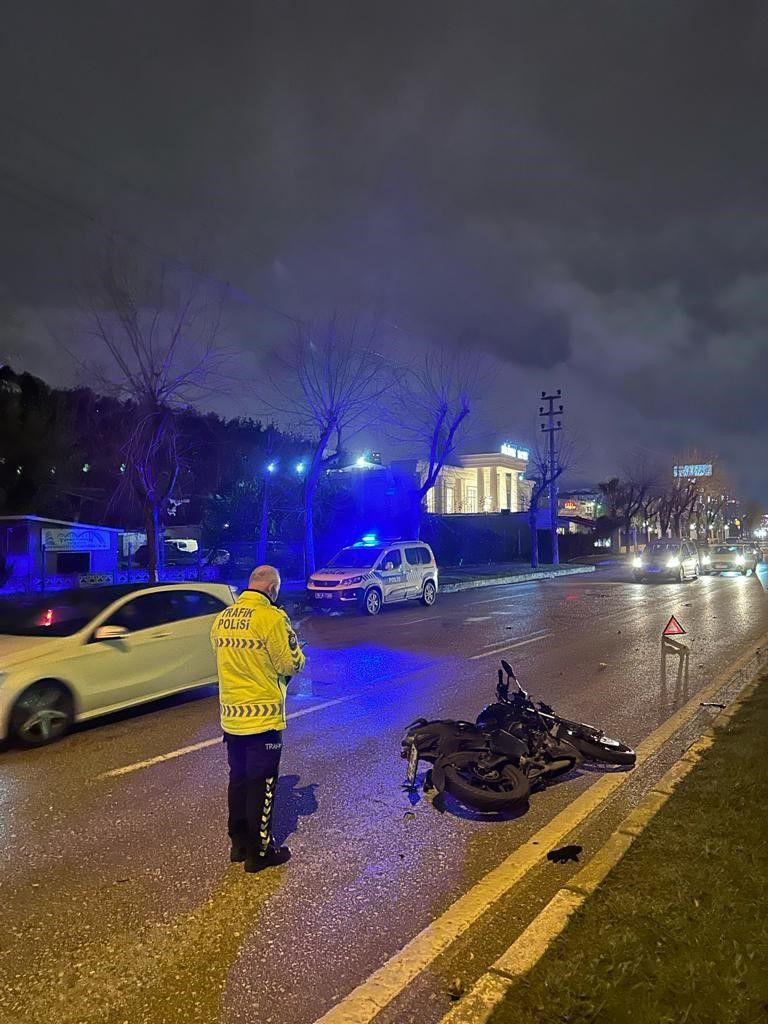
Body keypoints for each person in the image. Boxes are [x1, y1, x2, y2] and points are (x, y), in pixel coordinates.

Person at [211, 565, 306, 873]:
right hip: (262, 718)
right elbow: (289, 664)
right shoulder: (272, 618)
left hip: (232, 718)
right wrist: (299, 656)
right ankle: (259, 852)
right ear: (272, 589)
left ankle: (238, 844)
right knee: (262, 784)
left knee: (237, 780)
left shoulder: (223, 618)